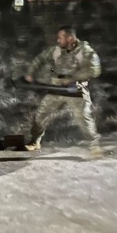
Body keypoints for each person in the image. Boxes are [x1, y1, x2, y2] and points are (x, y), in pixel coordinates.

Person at [23, 26, 102, 157]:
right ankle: (35, 141)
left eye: (60, 37)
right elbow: (40, 59)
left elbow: (95, 70)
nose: (58, 40)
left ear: (70, 38)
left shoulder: (86, 51)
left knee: (84, 119)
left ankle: (94, 147)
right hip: (56, 89)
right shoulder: (56, 50)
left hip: (76, 90)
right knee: (40, 116)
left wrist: (72, 78)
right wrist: (30, 73)